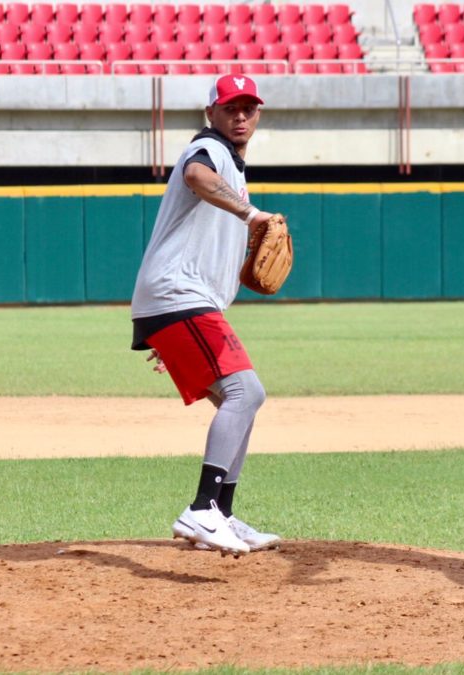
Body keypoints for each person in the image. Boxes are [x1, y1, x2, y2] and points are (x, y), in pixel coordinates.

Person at [130, 74, 281, 557]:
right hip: (178, 295)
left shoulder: (233, 167)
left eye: (248, 108)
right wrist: (251, 214)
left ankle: (222, 514)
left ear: (257, 115)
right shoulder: (210, 149)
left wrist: (173, 336)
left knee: (243, 399)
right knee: (244, 391)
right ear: (211, 113)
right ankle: (200, 508)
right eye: (230, 107)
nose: (240, 116)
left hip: (185, 305)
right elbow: (196, 176)